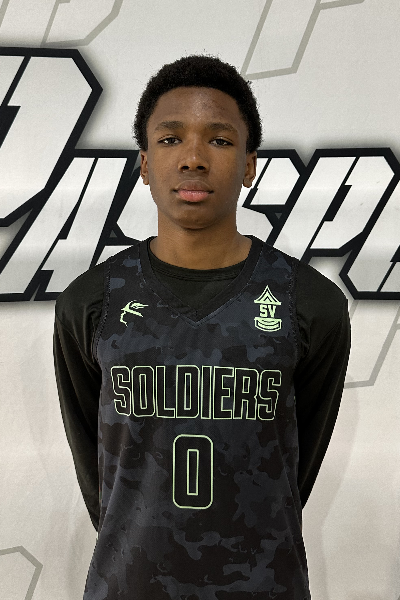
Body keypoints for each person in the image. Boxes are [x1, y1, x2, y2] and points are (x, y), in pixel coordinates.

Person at [54, 55, 350, 600]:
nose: (193, 158)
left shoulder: (311, 303)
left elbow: (294, 469)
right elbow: (98, 472)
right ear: (145, 164)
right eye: (170, 140)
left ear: (249, 164)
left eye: (219, 140)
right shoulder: (90, 301)